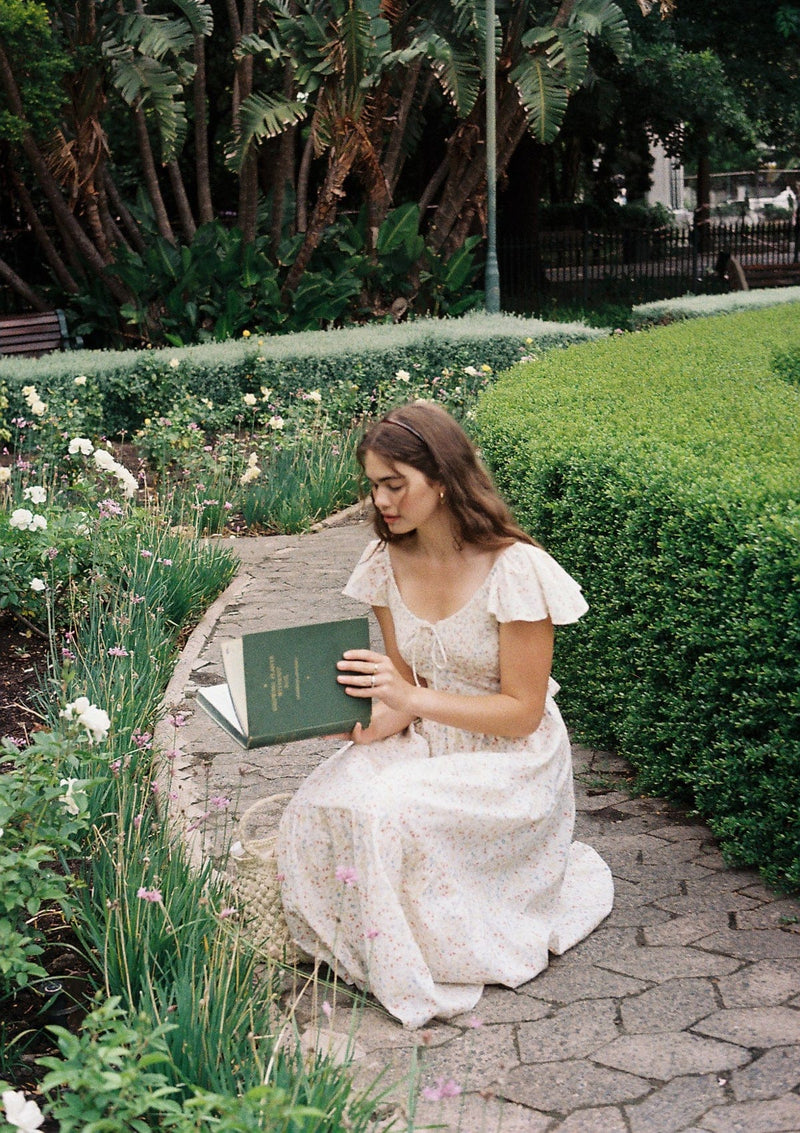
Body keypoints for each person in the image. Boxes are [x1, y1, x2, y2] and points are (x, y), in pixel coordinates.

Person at [277, 401, 613, 1028]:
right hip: (428, 738)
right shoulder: (384, 563)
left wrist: (410, 702)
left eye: (394, 484)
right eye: (374, 485)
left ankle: (429, 952)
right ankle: (361, 945)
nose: (381, 500)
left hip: (512, 762)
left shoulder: (516, 570)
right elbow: (403, 683)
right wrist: (365, 724)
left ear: (443, 478)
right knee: (324, 796)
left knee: (384, 809)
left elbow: (521, 713)